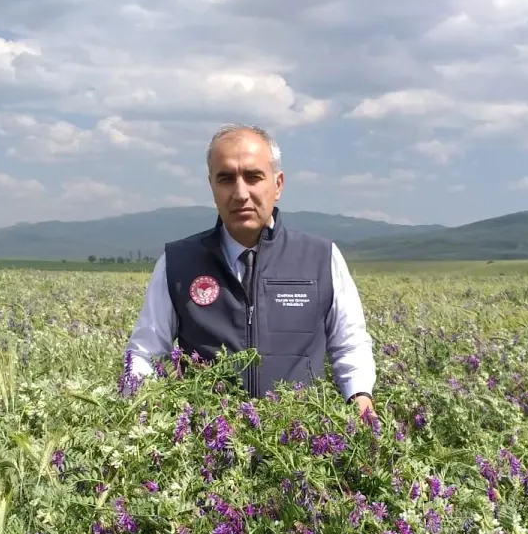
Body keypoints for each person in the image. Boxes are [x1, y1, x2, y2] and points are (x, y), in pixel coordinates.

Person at [123, 124, 377, 417]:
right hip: (209, 448)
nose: (240, 193)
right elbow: (145, 352)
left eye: (253, 177)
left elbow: (349, 344)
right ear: (212, 187)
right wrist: (142, 414)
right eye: (226, 179)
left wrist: (360, 398)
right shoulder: (178, 263)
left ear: (278, 184)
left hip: (297, 447)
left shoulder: (321, 257)